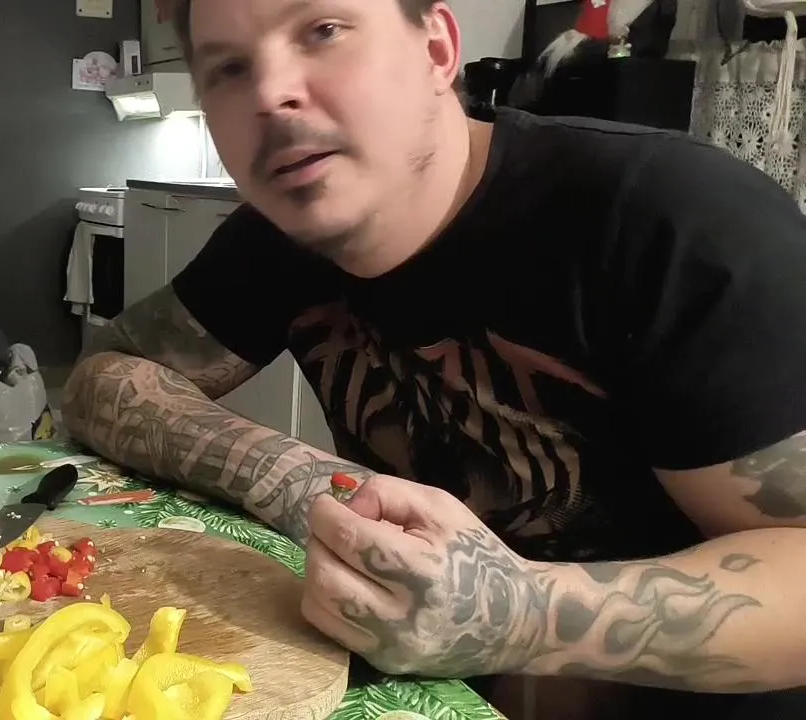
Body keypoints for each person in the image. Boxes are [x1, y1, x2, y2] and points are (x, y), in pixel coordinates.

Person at [61, 0, 806, 716]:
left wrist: (522, 613)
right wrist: (290, 476)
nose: (270, 93)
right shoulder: (283, 231)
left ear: (437, 49)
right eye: (228, 68)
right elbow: (105, 376)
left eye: (323, 29)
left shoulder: (680, 224)